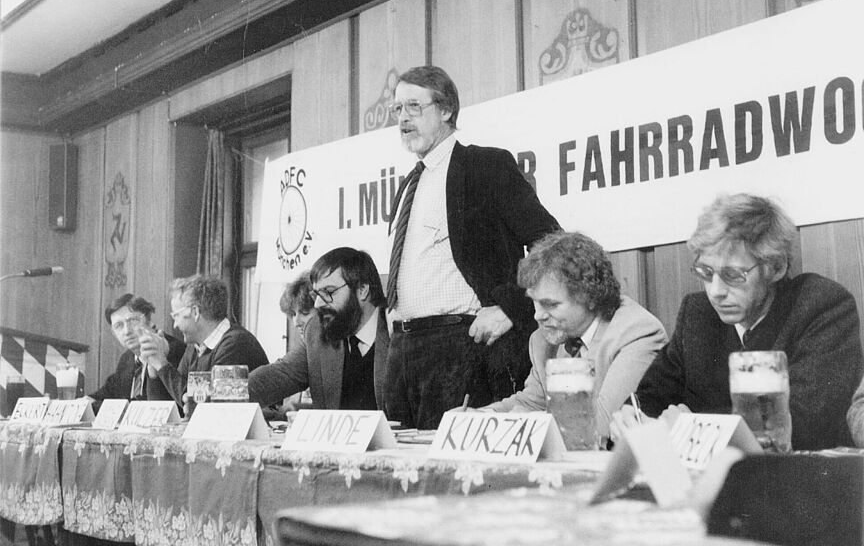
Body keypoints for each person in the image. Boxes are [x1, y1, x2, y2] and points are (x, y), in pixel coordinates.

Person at [612, 193, 863, 450]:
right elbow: (648, 397)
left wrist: (693, 428)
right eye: (705, 272)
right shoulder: (697, 314)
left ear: (775, 268)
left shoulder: (820, 305)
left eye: (733, 275)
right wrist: (630, 418)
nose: (715, 291)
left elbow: (802, 423)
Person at [384, 65, 560, 429]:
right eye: (398, 109)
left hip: (462, 345)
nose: (402, 118)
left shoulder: (485, 166)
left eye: (413, 107)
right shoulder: (413, 181)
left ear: (446, 109)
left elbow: (551, 242)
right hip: (404, 351)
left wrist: (511, 307)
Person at [479, 232, 668, 439]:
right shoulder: (543, 340)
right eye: (534, 301)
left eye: (550, 304)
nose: (537, 315)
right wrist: (476, 419)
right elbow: (530, 402)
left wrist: (528, 421)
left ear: (590, 297)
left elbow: (603, 426)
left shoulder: (637, 333)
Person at [248, 247, 390, 410]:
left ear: (362, 290)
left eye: (329, 292)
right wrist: (225, 394)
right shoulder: (319, 330)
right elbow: (278, 375)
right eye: (317, 295)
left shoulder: (398, 332)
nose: (318, 304)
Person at [139, 275, 269, 408]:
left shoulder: (236, 345)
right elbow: (175, 408)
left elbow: (201, 407)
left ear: (195, 312)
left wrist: (162, 365)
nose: (175, 326)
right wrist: (154, 367)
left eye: (175, 315)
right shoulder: (195, 347)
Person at [86, 293, 185, 412]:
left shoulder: (173, 350)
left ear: (149, 321)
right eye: (119, 326)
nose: (127, 331)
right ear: (114, 333)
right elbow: (109, 391)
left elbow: (148, 406)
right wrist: (87, 400)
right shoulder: (127, 358)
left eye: (133, 321)